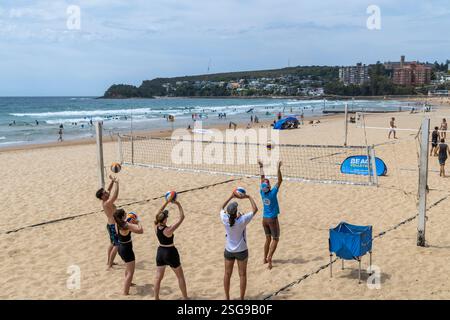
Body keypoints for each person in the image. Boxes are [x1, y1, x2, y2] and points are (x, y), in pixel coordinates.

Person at [220, 191, 258, 300]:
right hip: (241, 250)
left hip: (229, 251)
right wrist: (249, 196)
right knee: (242, 275)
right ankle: (241, 299)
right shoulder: (242, 220)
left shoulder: (225, 218)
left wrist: (230, 196)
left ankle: (227, 298)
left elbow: (221, 207)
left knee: (227, 274)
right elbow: (255, 209)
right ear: (236, 212)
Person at [154, 199, 188, 300]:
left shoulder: (155, 226)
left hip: (160, 252)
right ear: (164, 220)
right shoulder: (169, 230)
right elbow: (182, 217)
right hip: (170, 252)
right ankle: (185, 298)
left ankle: (156, 298)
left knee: (158, 277)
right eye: (166, 217)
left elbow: (157, 213)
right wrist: (178, 204)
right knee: (180, 276)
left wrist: (166, 202)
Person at [258, 160, 282, 270]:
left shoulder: (262, 192)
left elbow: (262, 178)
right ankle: (270, 258)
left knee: (267, 239)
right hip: (272, 219)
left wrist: (261, 166)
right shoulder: (272, 193)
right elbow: (280, 180)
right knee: (275, 239)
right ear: (269, 186)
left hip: (264, 219)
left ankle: (264, 258)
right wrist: (278, 168)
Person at [113, 209, 143, 295]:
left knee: (127, 267)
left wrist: (129, 222)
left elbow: (124, 226)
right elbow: (141, 231)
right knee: (131, 272)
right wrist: (138, 222)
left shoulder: (116, 224)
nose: (126, 214)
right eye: (125, 214)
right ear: (122, 216)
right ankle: (125, 292)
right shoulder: (126, 225)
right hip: (127, 249)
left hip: (120, 247)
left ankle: (129, 283)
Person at [95, 175, 120, 269]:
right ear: (102, 196)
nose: (107, 192)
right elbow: (115, 195)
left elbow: (109, 190)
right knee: (117, 245)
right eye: (105, 193)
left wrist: (112, 181)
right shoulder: (107, 203)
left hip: (110, 225)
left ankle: (109, 261)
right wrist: (117, 184)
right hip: (113, 226)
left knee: (112, 243)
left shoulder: (105, 200)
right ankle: (110, 264)